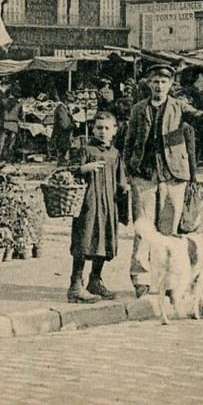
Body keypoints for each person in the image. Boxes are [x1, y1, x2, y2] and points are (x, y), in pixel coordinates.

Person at [122, 63, 197, 297]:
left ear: (171, 84)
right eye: (155, 81)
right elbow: (129, 141)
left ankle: (169, 280)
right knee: (143, 228)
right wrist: (129, 172)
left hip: (173, 174)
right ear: (148, 83)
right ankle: (141, 280)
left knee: (169, 231)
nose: (159, 86)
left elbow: (199, 118)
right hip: (144, 174)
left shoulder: (179, 107)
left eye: (164, 81)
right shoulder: (137, 109)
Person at [63, 111, 128, 303]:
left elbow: (121, 179)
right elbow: (69, 170)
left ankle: (95, 281)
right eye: (99, 127)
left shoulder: (115, 153)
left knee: (104, 240)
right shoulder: (85, 150)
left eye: (107, 128)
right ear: (92, 128)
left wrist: (124, 188)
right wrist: (84, 168)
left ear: (114, 131)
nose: (102, 131)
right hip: (89, 203)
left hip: (109, 203)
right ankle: (75, 285)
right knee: (85, 239)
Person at [49, 92, 76, 164]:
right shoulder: (61, 110)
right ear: (66, 101)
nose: (71, 103)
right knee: (62, 157)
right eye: (70, 101)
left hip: (63, 137)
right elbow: (64, 125)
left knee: (63, 156)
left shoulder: (64, 109)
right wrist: (74, 124)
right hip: (61, 137)